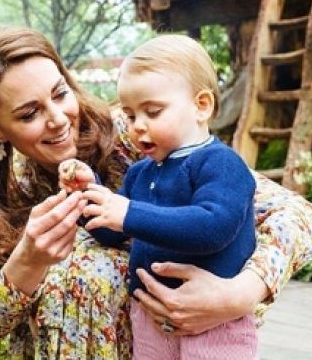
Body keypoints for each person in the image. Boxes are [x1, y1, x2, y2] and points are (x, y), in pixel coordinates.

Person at [0, 26, 312, 359]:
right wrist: (27, 261)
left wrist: (240, 294)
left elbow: (299, 216)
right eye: (29, 114)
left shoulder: (139, 136)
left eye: (60, 94)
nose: (58, 119)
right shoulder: (3, 201)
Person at [58, 34, 258, 359]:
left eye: (153, 111)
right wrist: (87, 193)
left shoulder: (221, 163)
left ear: (201, 105)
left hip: (213, 322)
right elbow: (112, 231)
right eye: (131, 114)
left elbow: (214, 227)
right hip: (149, 316)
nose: (138, 126)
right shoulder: (141, 173)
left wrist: (128, 213)